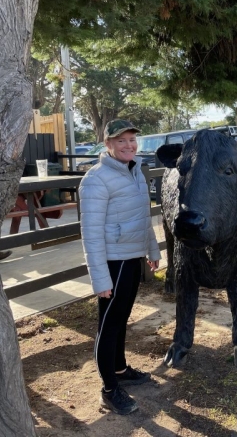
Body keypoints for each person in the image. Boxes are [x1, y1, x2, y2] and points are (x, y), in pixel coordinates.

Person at [79, 119, 161, 415]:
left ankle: (120, 368)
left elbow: (142, 217)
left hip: (132, 257)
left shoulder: (135, 171)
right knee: (109, 324)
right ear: (108, 145)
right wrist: (100, 278)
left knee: (122, 317)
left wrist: (151, 249)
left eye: (131, 140)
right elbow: (90, 232)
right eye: (121, 140)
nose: (129, 145)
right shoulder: (96, 179)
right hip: (113, 262)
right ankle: (109, 389)